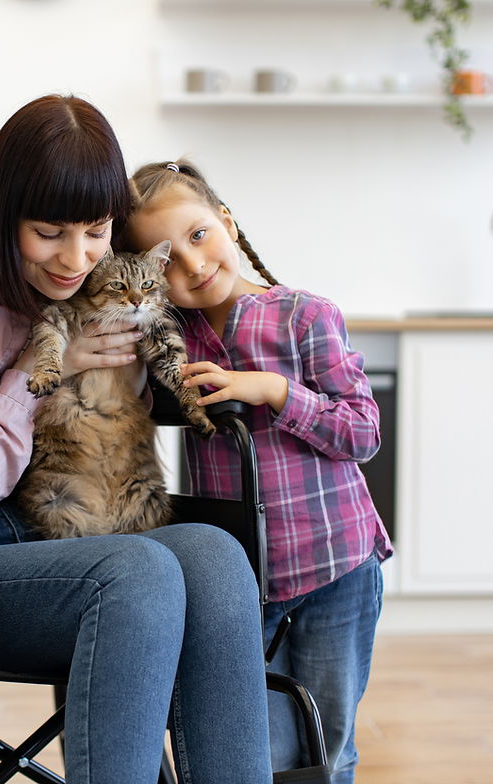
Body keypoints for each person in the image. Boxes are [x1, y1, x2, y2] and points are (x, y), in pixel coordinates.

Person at [0, 96, 272, 783]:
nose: (77, 258)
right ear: (3, 213)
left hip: (46, 539)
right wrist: (40, 378)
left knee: (213, 557)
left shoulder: (71, 287)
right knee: (138, 573)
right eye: (49, 232)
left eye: (97, 231)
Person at [123, 159, 394, 783]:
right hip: (243, 587)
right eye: (165, 259)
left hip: (337, 569)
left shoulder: (304, 315)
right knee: (260, 755)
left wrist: (276, 389)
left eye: (198, 235)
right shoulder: (167, 339)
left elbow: (363, 430)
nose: (192, 265)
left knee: (329, 750)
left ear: (227, 221)